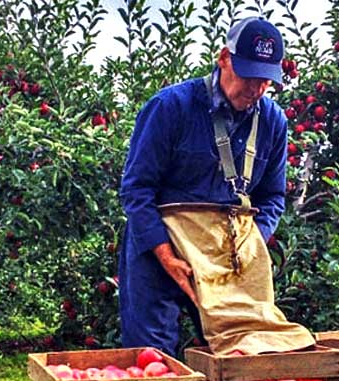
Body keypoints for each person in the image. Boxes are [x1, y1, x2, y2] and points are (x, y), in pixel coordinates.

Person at [118, 16, 315, 357]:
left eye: (266, 81)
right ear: (224, 58)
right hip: (160, 246)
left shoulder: (273, 122)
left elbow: (271, 197)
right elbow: (137, 190)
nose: (256, 89)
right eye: (248, 76)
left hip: (226, 254)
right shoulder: (170, 108)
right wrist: (165, 254)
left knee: (245, 349)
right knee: (152, 354)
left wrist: (248, 245)